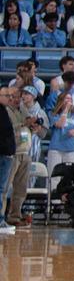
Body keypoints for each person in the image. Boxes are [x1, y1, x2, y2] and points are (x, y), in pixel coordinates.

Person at [0, 87, 16, 234]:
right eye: (6, 95)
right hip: (2, 154)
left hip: (7, 154)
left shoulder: (5, 110)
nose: (10, 98)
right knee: (0, 188)